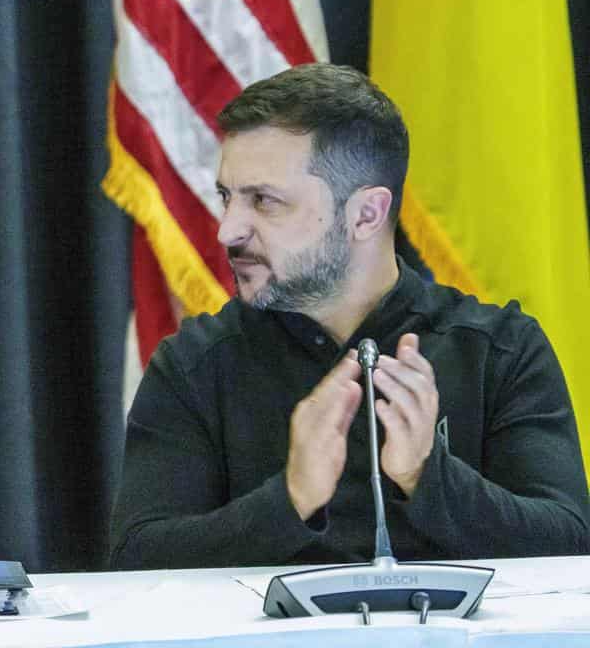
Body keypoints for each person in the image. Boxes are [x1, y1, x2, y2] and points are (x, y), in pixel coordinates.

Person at [108, 63, 590, 569]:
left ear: (366, 214)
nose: (228, 230)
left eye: (264, 202)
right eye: (227, 197)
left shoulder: (498, 349)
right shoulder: (194, 364)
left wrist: (430, 479)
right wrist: (288, 501)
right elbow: (135, 561)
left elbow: (572, 548)